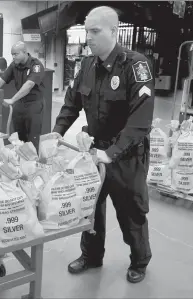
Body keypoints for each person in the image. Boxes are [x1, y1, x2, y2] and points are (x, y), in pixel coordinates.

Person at [52, 6, 154, 283]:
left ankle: (139, 260)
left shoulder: (135, 66)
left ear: (113, 31)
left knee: (131, 214)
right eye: (86, 31)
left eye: (95, 31)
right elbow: (71, 104)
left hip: (126, 157)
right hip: (94, 152)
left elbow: (140, 122)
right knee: (90, 209)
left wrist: (112, 153)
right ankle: (91, 256)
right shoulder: (86, 65)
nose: (89, 37)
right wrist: (56, 133)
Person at [0, 41, 45, 151]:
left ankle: (32, 165)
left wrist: (12, 99)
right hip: (20, 104)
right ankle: (20, 165)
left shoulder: (36, 65)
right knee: (19, 140)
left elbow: (29, 85)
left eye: (15, 54)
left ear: (24, 52)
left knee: (32, 140)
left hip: (34, 105)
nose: (13, 57)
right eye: (12, 54)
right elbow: (1, 80)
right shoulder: (14, 65)